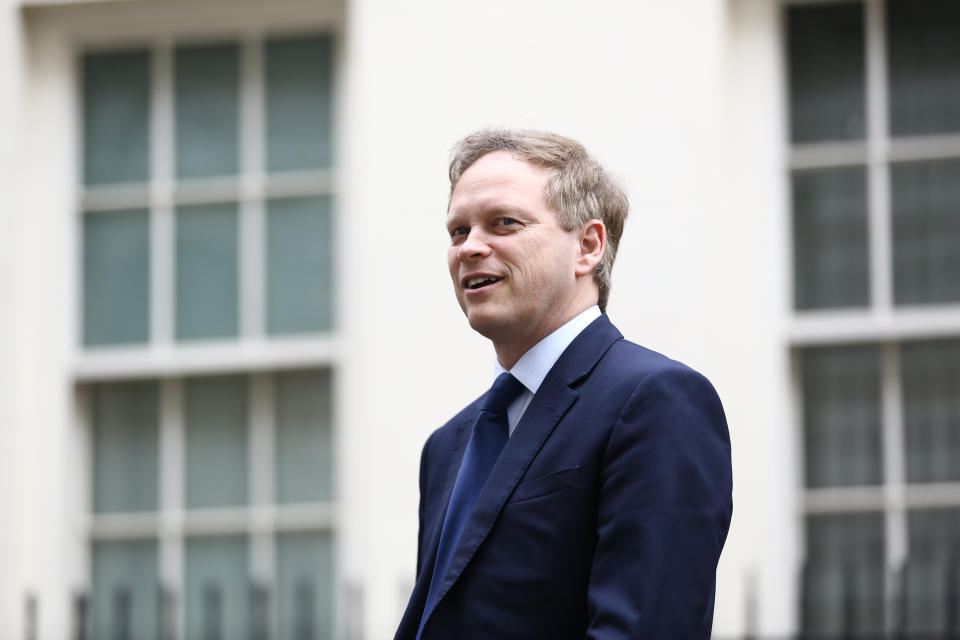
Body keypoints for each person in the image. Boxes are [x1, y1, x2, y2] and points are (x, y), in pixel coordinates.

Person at [394, 129, 732, 640]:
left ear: (588, 246)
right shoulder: (446, 446)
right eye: (458, 231)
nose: (470, 248)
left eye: (503, 223)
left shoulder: (655, 401)